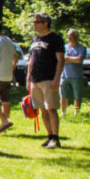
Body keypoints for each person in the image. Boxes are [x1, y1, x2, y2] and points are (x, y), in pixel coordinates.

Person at [26, 12, 66, 148]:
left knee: (51, 109)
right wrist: (28, 79)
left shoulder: (55, 39)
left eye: (36, 22)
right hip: (35, 80)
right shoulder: (35, 39)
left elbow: (61, 60)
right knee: (42, 110)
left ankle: (56, 138)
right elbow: (31, 60)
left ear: (45, 23)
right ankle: (49, 136)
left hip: (49, 79)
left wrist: (56, 78)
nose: (34, 24)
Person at [61, 29, 86, 116]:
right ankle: (63, 112)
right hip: (64, 75)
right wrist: (72, 59)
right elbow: (61, 60)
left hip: (77, 76)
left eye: (71, 35)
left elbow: (79, 60)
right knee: (63, 95)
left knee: (77, 95)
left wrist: (67, 58)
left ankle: (76, 111)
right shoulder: (64, 47)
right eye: (68, 35)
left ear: (76, 36)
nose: (69, 37)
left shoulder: (81, 48)